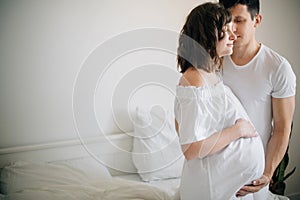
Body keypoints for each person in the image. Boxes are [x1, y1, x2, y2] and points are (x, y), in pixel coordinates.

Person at [174, 2, 268, 200]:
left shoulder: (208, 75)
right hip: (211, 190)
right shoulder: (194, 80)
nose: (233, 36)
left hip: (223, 187)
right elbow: (191, 149)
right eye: (226, 31)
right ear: (209, 36)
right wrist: (238, 131)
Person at [219, 0, 296, 198]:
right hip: (217, 166)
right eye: (227, 21)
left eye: (239, 20)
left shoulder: (277, 67)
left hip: (253, 171)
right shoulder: (214, 60)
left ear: (257, 20)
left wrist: (267, 173)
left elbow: (281, 128)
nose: (232, 28)